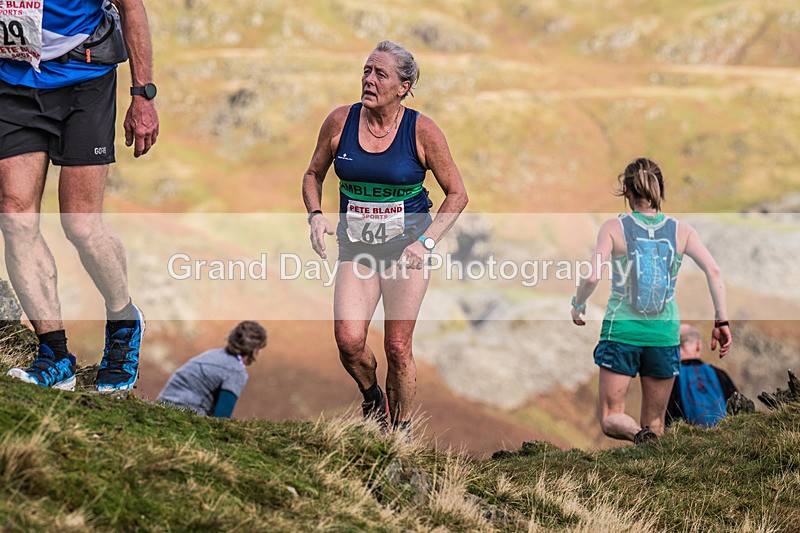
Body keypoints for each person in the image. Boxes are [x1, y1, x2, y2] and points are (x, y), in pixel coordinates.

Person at [301, 40, 468, 431]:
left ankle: (401, 431)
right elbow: (313, 174)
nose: (369, 80)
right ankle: (373, 397)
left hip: (405, 253)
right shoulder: (340, 121)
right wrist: (315, 215)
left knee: (397, 346)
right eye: (366, 70)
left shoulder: (422, 130)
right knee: (349, 340)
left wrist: (426, 242)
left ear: (403, 86)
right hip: (356, 251)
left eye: (380, 74)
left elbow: (458, 194)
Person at [2, 0, 159, 391]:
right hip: (13, 80)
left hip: (84, 75)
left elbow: (131, 7)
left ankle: (124, 323)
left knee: (82, 225)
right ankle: (54, 356)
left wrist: (143, 97)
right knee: (14, 214)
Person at [571, 157, 732, 444]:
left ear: (626, 191)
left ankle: (637, 435)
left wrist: (578, 303)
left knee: (611, 416)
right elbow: (714, 270)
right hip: (664, 334)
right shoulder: (682, 231)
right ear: (661, 189)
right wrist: (721, 320)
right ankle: (650, 451)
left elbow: (592, 277)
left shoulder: (613, 227)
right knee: (657, 421)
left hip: (621, 332)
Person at [157, 321, 267, 418]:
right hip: (185, 417)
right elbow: (221, 418)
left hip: (160, 410)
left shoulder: (212, 354)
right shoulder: (236, 371)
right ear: (253, 350)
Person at [666, 323, 738, 428]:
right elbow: (738, 408)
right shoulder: (719, 374)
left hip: (686, 442)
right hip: (724, 439)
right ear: (698, 345)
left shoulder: (668, 379)